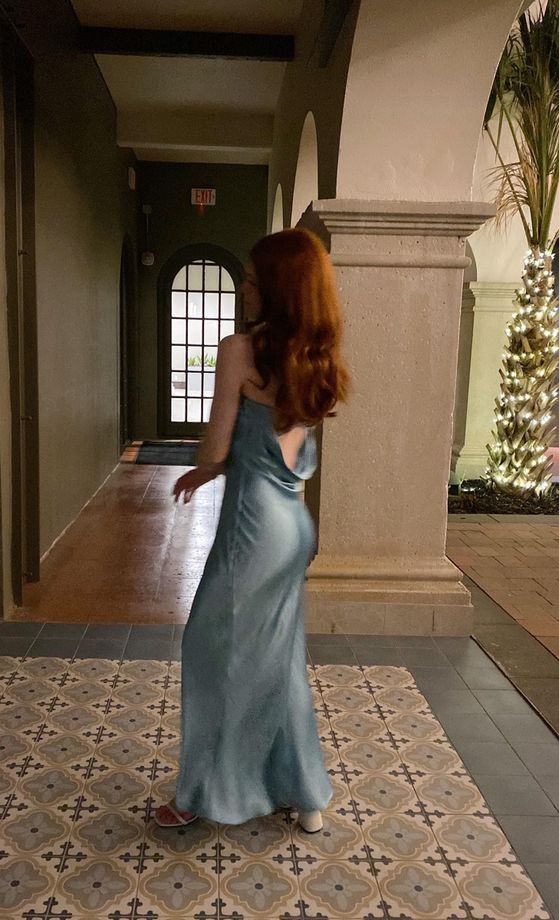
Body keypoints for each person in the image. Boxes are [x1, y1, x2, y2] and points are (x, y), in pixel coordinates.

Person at [154, 227, 350, 833]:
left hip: (252, 530)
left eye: (253, 279)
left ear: (278, 290)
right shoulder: (317, 356)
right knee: (279, 658)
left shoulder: (240, 350)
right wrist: (217, 466)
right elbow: (278, 449)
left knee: (213, 654)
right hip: (294, 524)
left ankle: (202, 794)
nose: (244, 287)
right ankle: (305, 794)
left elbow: (216, 446)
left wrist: (203, 465)